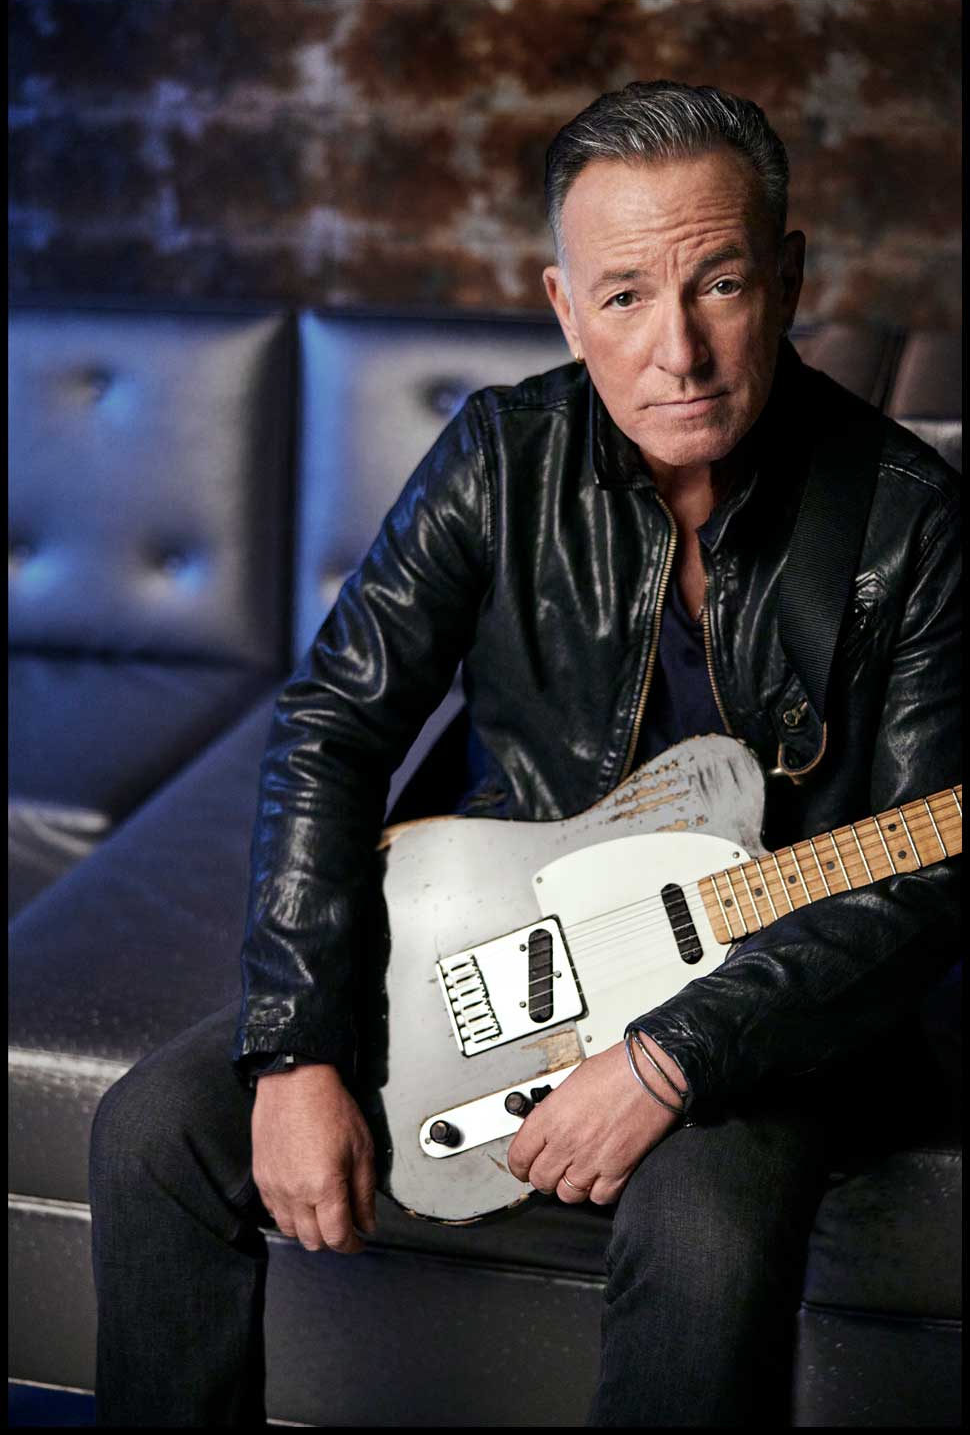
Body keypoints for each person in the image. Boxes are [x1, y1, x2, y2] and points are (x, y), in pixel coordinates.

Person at [89, 81, 960, 1427]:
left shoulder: (912, 520)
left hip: (762, 995)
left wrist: (671, 1057)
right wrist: (293, 1045)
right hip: (500, 945)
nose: (677, 351)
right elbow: (330, 724)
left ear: (786, 278)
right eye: (622, 298)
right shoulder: (500, 455)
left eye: (718, 285)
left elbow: (919, 874)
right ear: (563, 308)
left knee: (709, 1234)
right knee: (150, 1130)